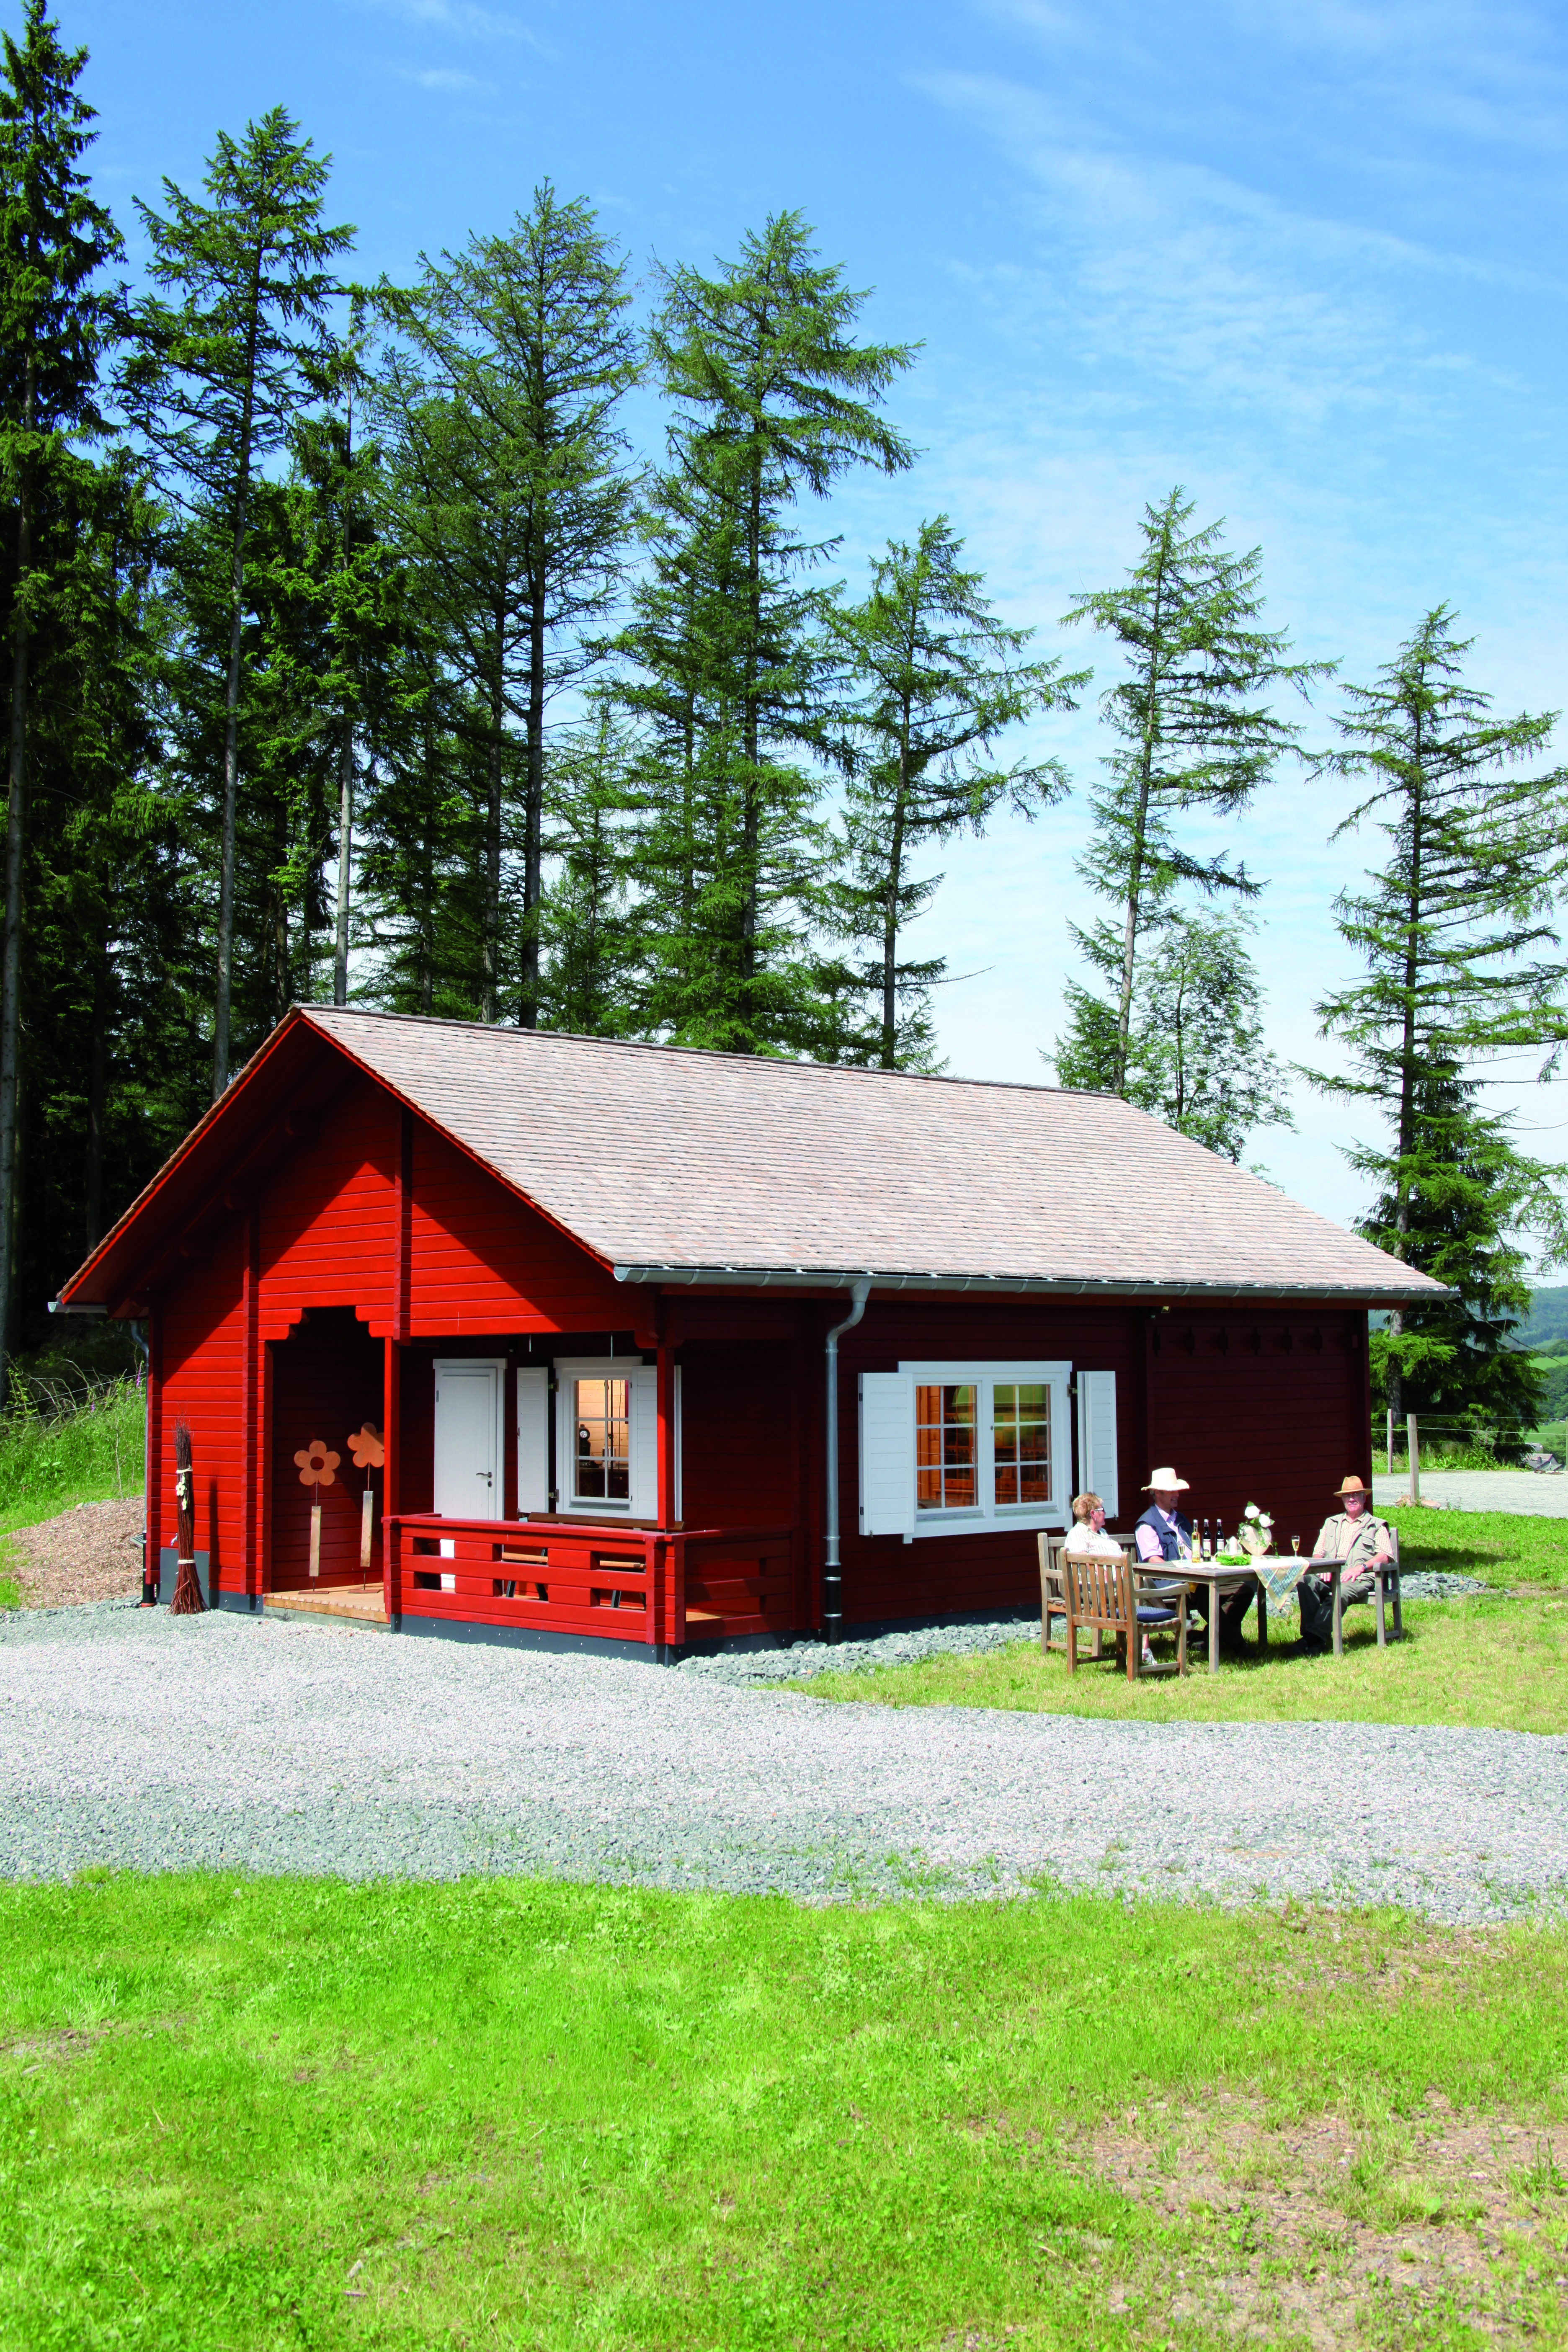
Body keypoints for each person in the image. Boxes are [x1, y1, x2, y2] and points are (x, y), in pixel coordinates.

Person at [1136, 1467, 1255, 1653]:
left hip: (1198, 1576)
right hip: (1170, 1583)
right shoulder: (1147, 1524)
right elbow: (1154, 1562)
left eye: (1178, 1491)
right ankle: (1239, 1647)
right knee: (1205, 1592)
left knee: (1244, 1590)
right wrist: (1185, 1572)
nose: (1177, 1495)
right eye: (1172, 1491)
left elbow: (1195, 1550)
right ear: (1158, 1493)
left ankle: (1205, 1639)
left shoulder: (1181, 1519)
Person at [1299, 1474, 1393, 1654]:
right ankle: (1314, 1640)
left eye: (1356, 1495)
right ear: (1342, 1499)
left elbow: (1385, 1556)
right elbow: (1318, 1553)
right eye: (1347, 1496)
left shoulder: (1376, 1525)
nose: (1351, 1499)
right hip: (1330, 1572)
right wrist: (1323, 1566)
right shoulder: (1331, 1523)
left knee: (1339, 1593)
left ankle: (1310, 1641)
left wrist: (1362, 1568)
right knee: (1305, 1581)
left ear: (1364, 1498)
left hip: (1358, 1578)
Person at [1065, 1491, 1123, 1556]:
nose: (1105, 1513)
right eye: (1103, 1510)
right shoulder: (1077, 1533)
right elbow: (1083, 1563)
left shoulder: (1102, 1532)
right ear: (1093, 1514)